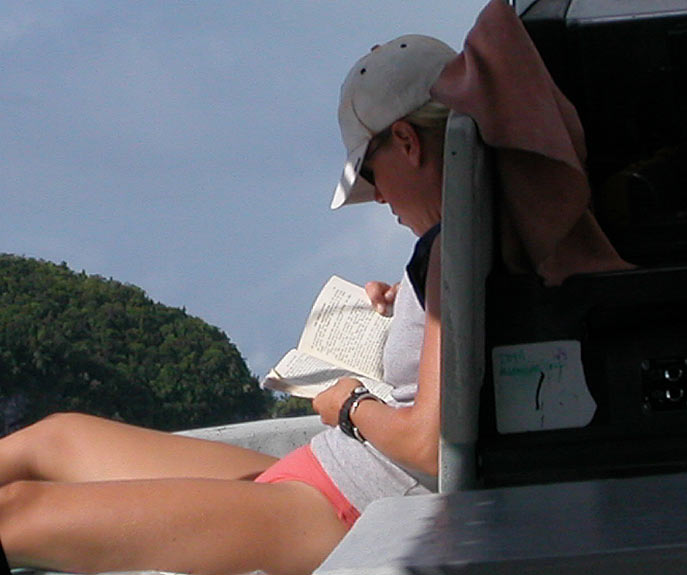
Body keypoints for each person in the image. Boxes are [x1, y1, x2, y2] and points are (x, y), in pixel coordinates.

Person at [0, 34, 455, 575]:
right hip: (335, 477)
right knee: (57, 437)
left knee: (15, 513)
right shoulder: (471, 235)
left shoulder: (451, 249)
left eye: (371, 174)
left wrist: (349, 405)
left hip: (352, 505)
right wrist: (409, 303)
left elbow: (430, 447)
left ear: (407, 141)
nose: (378, 196)